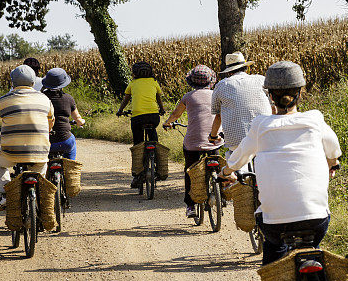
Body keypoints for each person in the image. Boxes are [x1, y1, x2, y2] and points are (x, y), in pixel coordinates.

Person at [218, 61, 341, 281]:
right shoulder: (315, 120)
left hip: (276, 223)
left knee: (274, 252)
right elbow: (334, 152)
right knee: (312, 245)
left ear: (269, 94)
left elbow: (238, 158)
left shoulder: (260, 126)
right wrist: (332, 164)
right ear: (300, 91)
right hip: (316, 220)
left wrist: (225, 172)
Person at [0, 65, 54, 211]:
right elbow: (51, 121)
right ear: (33, 83)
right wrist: (46, 131)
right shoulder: (45, 100)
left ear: (12, 83)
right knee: (40, 169)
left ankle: (5, 194)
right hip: (39, 152)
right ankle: (40, 200)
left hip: (11, 153)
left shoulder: (2, 100)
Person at [162, 65, 221, 217]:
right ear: (211, 81)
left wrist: (168, 122)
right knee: (218, 163)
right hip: (215, 139)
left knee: (189, 171)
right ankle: (221, 194)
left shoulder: (188, 97)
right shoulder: (216, 95)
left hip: (193, 142)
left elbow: (176, 114)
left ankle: (190, 206)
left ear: (192, 81)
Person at [209, 52, 272, 169]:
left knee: (234, 159)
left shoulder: (221, 85)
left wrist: (213, 136)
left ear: (229, 71)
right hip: (264, 135)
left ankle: (238, 179)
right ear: (246, 67)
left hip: (237, 141)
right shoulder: (261, 80)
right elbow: (273, 105)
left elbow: (218, 116)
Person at [116, 61, 165, 187]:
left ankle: (138, 175)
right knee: (153, 139)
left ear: (134, 73)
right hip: (153, 117)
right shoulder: (154, 82)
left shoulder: (133, 83)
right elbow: (159, 98)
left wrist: (120, 111)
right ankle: (159, 165)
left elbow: (126, 99)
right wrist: (162, 109)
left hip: (137, 117)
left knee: (138, 143)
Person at [41, 67, 85, 160]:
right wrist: (81, 122)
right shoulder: (68, 98)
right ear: (63, 84)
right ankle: (70, 169)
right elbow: (78, 119)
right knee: (71, 143)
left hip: (45, 142)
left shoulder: (40, 98)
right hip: (64, 141)